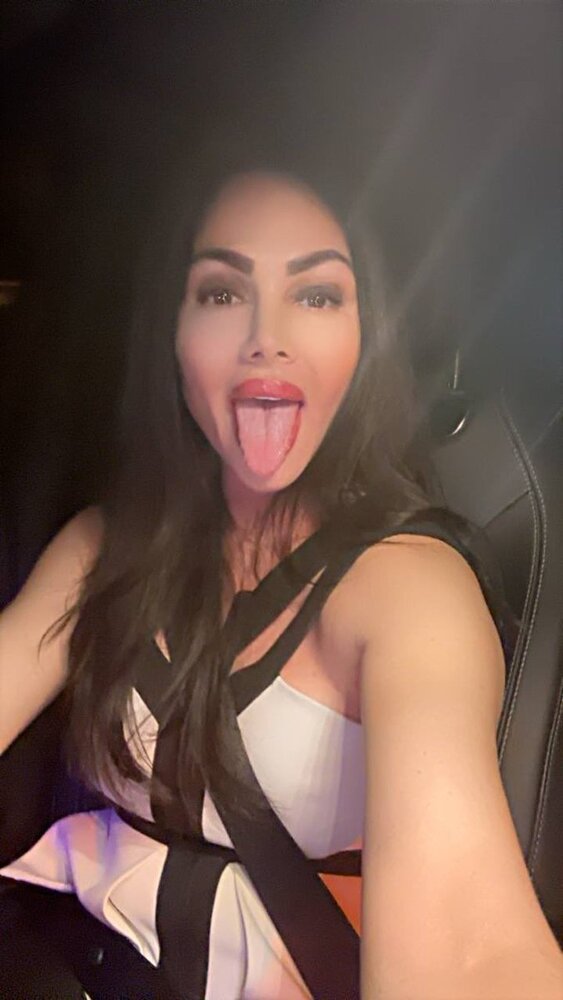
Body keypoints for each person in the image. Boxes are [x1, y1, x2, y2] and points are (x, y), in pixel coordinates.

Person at [0, 150, 561, 1000]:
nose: (267, 336)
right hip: (65, 948)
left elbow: (467, 951)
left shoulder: (407, 588)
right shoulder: (103, 545)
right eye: (222, 294)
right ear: (174, 335)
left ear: (363, 341)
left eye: (317, 294)